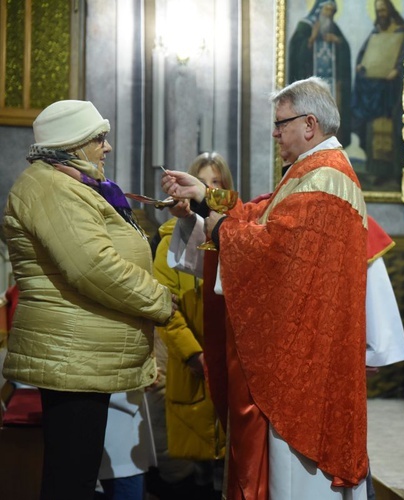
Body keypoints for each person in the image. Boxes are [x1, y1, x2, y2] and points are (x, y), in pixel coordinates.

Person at [162, 76, 369, 499]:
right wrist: (203, 197)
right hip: (303, 351)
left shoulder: (323, 179)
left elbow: (271, 252)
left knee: (295, 480)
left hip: (302, 364)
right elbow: (259, 216)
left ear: (309, 124)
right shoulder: (313, 171)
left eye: (281, 123)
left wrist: (217, 224)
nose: (275, 133)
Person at [2, 100, 175, 500]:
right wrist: (159, 301)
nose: (107, 147)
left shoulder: (68, 183)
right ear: (72, 143)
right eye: (99, 138)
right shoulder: (51, 187)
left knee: (75, 475)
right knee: (71, 481)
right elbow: (93, 266)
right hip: (72, 352)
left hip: (80, 351)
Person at [152, 152, 230, 498]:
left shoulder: (237, 237)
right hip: (190, 367)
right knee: (185, 475)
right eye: (202, 183)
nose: (209, 190)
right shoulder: (171, 239)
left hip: (227, 363)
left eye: (217, 184)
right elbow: (166, 309)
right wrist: (194, 355)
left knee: (225, 471)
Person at [351, 0, 404, 186]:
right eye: (378, 11)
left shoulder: (403, 32)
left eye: (384, 10)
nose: (381, 14)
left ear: (391, 10)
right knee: (372, 130)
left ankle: (393, 172)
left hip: (391, 92)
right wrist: (360, 66)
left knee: (391, 131)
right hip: (373, 91)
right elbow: (364, 54)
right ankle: (375, 170)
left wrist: (398, 70)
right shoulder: (375, 33)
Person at [288, 0, 351, 148]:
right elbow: (296, 56)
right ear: (318, 10)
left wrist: (337, 41)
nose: (329, 14)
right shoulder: (305, 27)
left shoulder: (333, 29)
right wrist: (311, 39)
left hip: (332, 86)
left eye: (332, 11)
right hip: (310, 87)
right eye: (326, 10)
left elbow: (344, 49)